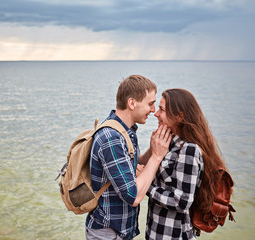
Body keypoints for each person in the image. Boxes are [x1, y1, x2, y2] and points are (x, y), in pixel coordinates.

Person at [85, 75, 172, 240]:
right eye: (150, 103)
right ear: (132, 103)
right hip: (108, 233)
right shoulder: (111, 138)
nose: (153, 110)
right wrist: (156, 157)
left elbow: (129, 165)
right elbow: (133, 196)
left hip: (116, 231)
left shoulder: (124, 130)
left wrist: (154, 148)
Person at [145, 88, 227, 239]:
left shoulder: (189, 150)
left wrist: (146, 187)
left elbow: (182, 201)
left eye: (162, 109)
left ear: (179, 116)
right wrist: (153, 148)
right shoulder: (168, 142)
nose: (156, 113)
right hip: (156, 233)